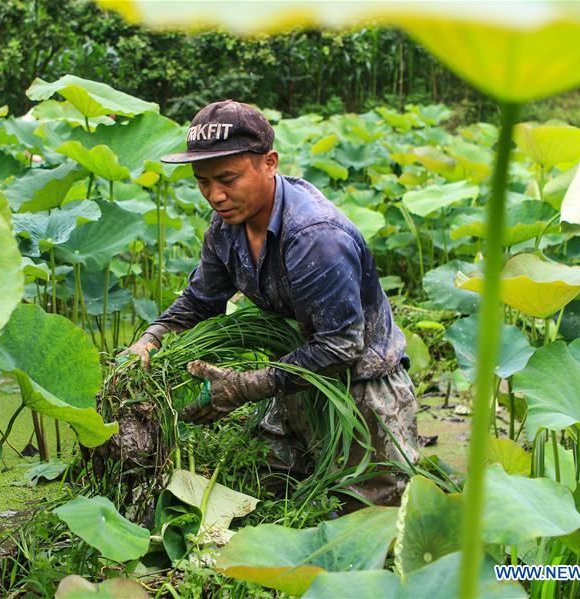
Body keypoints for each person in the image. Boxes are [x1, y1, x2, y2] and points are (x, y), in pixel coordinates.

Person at [126, 100, 419, 507]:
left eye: (227, 178)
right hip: (295, 377)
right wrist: (150, 340)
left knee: (369, 520)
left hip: (360, 389)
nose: (215, 195)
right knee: (264, 494)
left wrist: (243, 387)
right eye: (203, 182)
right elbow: (200, 300)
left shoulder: (315, 236)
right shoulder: (226, 226)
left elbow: (341, 345)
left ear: (270, 162)